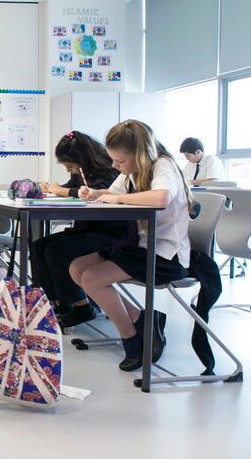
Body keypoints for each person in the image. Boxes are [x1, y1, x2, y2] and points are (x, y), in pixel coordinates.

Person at [71, 120, 193, 372]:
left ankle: (131, 339)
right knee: (76, 267)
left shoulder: (163, 165)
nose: (115, 166)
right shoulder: (132, 172)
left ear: (141, 154)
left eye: (120, 161)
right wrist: (93, 194)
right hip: (140, 247)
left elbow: (160, 197)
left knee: (93, 279)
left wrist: (113, 198)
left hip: (165, 255)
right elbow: (110, 193)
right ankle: (143, 318)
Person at [34, 131, 132, 328]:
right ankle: (60, 304)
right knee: (39, 246)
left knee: (56, 251)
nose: (68, 168)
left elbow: (91, 195)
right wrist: (53, 188)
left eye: (69, 164)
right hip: (89, 229)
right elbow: (72, 188)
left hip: (114, 234)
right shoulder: (82, 171)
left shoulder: (106, 170)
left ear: (82, 157)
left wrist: (59, 190)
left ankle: (82, 306)